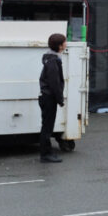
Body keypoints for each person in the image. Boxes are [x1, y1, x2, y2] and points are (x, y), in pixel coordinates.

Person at [38, 32, 67, 163]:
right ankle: (45, 154)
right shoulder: (53, 61)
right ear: (60, 46)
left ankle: (47, 152)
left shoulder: (50, 58)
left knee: (46, 125)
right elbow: (54, 82)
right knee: (47, 127)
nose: (66, 44)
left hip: (46, 96)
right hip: (49, 97)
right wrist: (60, 99)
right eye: (64, 42)